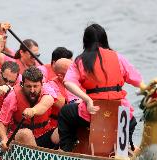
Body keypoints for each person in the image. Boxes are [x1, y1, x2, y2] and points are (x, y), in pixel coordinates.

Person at [58, 23, 145, 152]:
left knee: (65, 113)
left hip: (93, 111)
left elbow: (68, 82)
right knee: (131, 121)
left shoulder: (80, 60)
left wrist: (87, 100)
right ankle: (124, 148)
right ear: (104, 39)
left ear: (85, 41)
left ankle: (66, 151)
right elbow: (138, 81)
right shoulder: (118, 57)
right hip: (120, 111)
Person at [0, 67, 62, 151]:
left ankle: (62, 157)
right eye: (28, 86)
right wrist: (4, 138)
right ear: (22, 84)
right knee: (26, 133)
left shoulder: (48, 90)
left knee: (64, 129)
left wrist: (33, 110)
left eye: (35, 86)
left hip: (43, 134)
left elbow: (44, 105)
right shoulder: (13, 96)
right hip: (21, 138)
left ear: (41, 84)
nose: (32, 90)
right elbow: (1, 122)